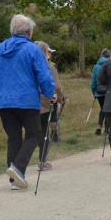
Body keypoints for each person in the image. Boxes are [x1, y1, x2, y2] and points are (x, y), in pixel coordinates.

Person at [0, 14, 56, 190]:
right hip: (26, 100)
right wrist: (49, 93)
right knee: (34, 133)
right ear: (29, 32)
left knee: (14, 138)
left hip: (5, 101)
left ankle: (15, 181)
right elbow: (43, 74)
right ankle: (18, 168)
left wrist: (0, 93)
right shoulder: (32, 49)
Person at [35, 41, 65, 171]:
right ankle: (42, 161)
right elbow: (56, 86)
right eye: (48, 52)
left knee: (32, 132)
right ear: (44, 53)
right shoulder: (49, 67)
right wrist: (61, 98)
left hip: (29, 102)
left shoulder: (29, 66)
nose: (50, 55)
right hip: (46, 102)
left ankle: (18, 162)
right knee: (43, 132)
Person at [90, 48, 111, 136]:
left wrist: (94, 93)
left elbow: (93, 82)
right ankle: (107, 131)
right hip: (109, 90)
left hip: (99, 91)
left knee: (103, 109)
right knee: (108, 110)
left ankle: (99, 127)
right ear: (110, 56)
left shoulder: (96, 66)